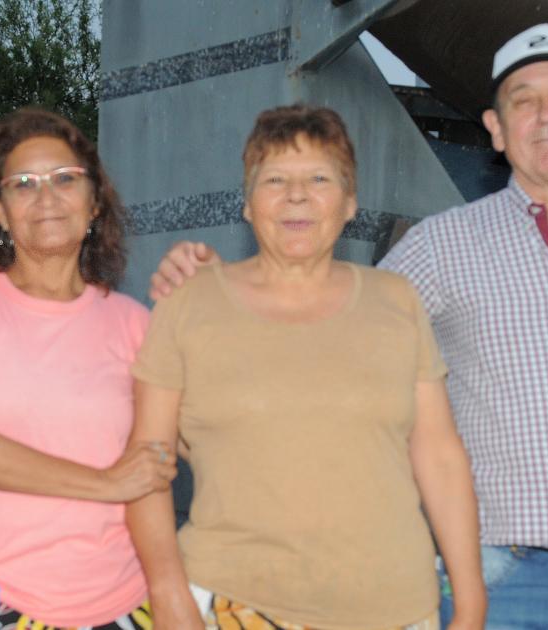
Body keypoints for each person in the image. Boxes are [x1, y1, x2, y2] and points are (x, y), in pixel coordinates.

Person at [150, 25, 548, 630]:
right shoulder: (441, 247)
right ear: (496, 128)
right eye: (523, 100)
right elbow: (327, 330)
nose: (546, 116)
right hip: (509, 586)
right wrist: (231, 292)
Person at [128, 104, 484, 630]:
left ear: (350, 201)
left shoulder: (398, 301)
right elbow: (146, 464)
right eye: (275, 179)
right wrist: (168, 596)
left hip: (394, 608)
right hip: (233, 604)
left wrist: (471, 603)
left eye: (319, 178)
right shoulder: (186, 305)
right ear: (247, 203)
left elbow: (440, 455)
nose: (296, 195)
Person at [0, 108, 177, 630]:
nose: (46, 196)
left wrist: (209, 304)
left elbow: (160, 463)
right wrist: (106, 482)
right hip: (0, 605)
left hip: (124, 603)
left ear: (95, 201)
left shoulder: (134, 323)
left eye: (65, 179)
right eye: (23, 184)